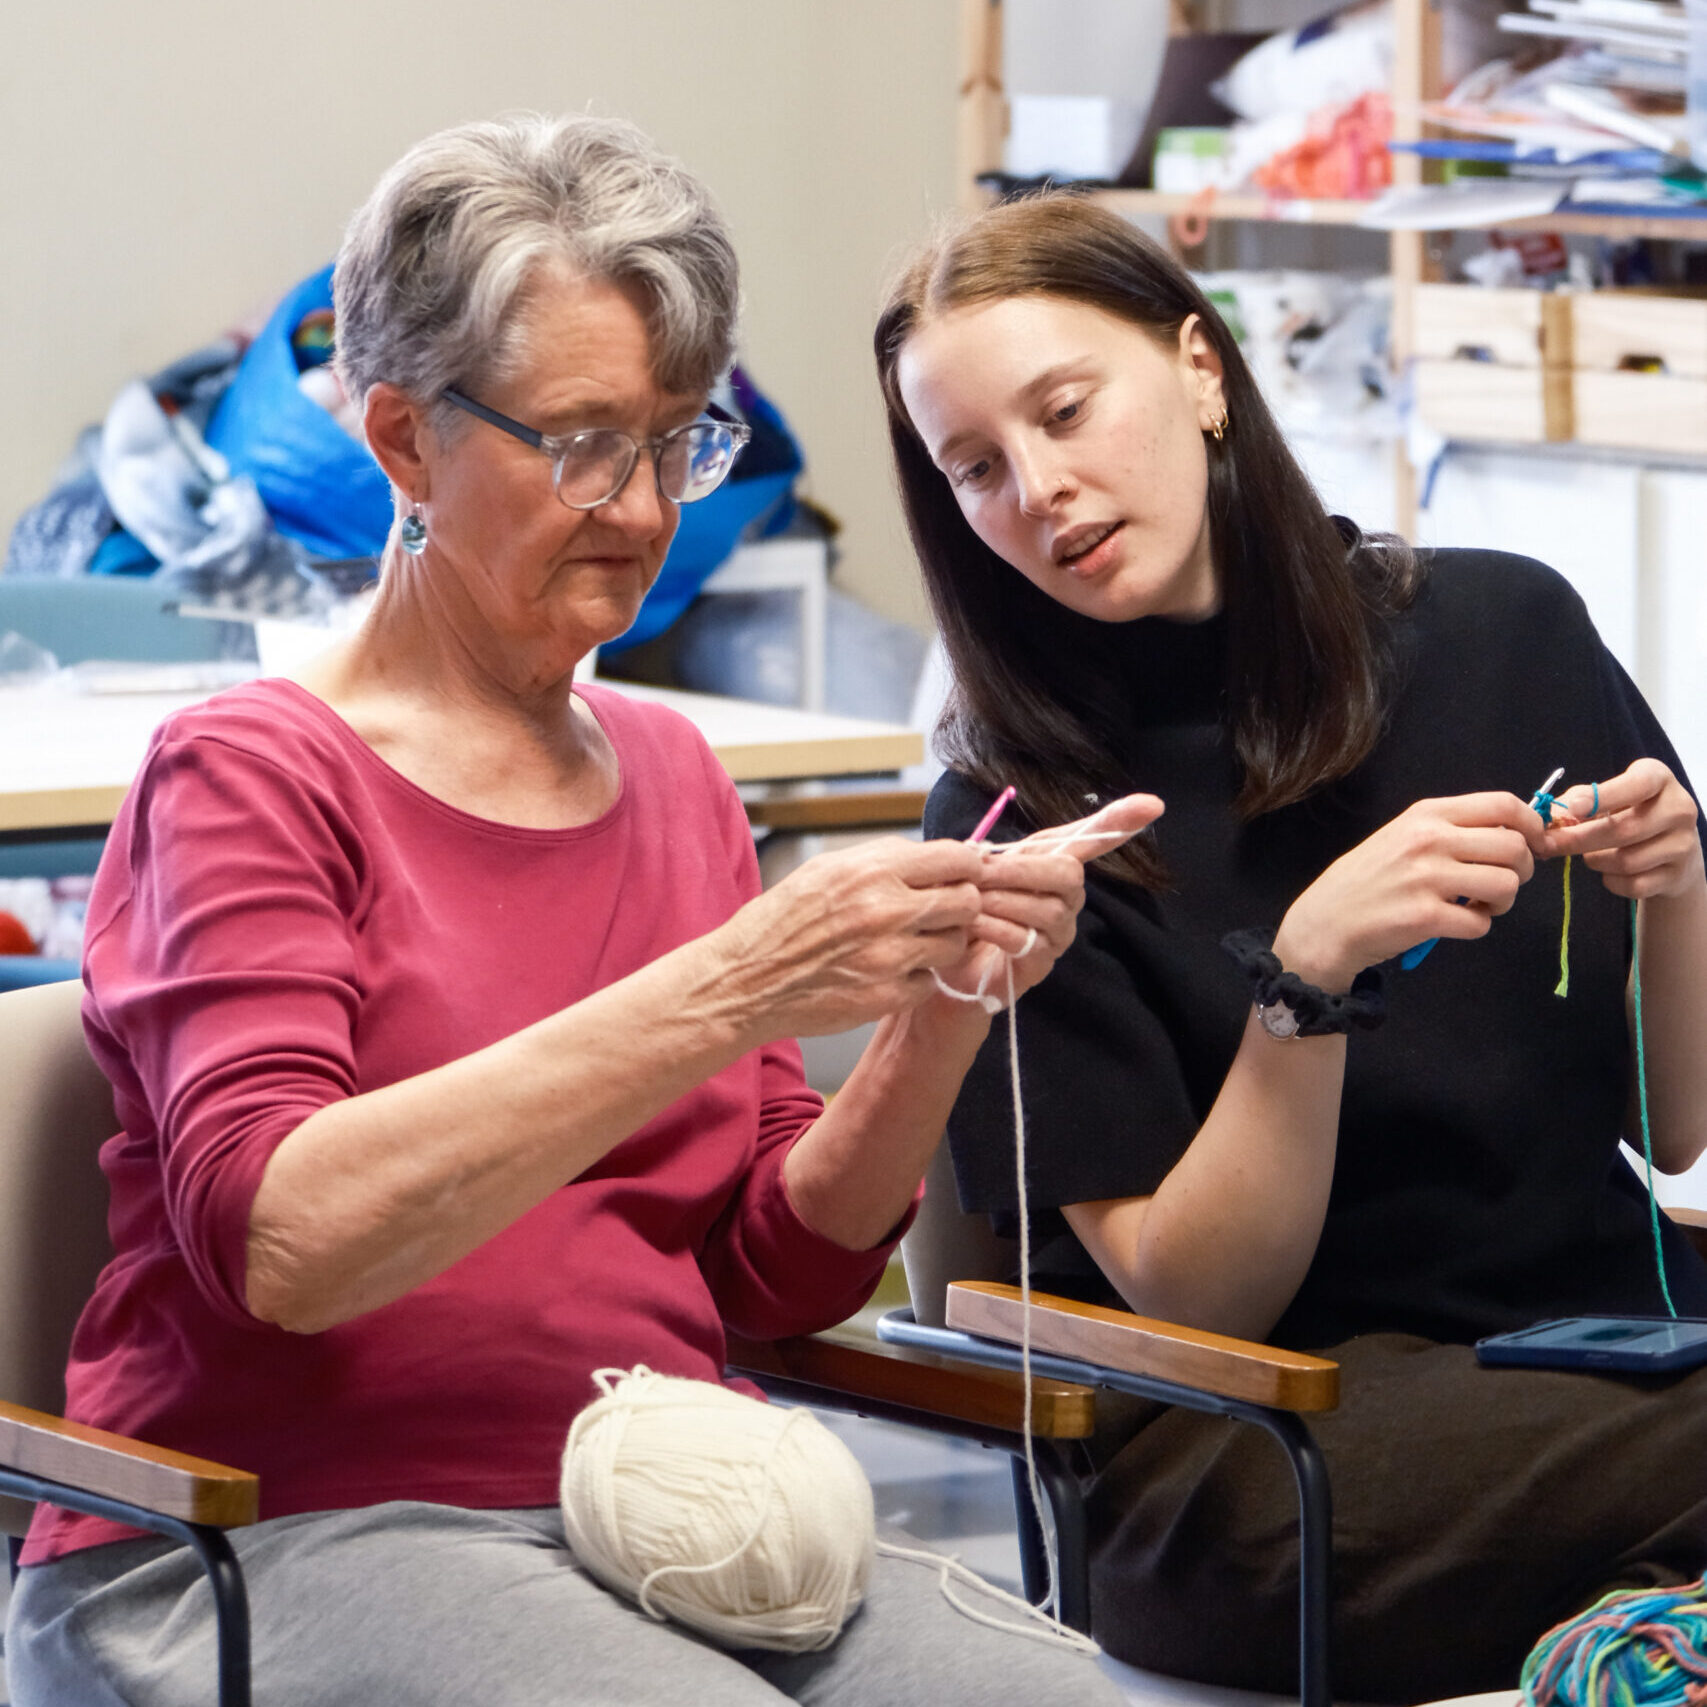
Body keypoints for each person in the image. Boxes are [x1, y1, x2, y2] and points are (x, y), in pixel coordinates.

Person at [4, 120, 1157, 1707]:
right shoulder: (250, 773)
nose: (642, 506)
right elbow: (288, 1245)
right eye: (583, 444)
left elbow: (771, 1283)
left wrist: (940, 1014)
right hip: (258, 1542)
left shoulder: (675, 777)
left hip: (656, 1518)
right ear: (403, 440)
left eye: (678, 441)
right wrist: (733, 985)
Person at [874, 191, 1707, 1703]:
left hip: (1601, 1360)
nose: (1039, 489)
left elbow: (1685, 1125)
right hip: (1256, 1451)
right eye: (975, 468)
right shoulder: (1026, 826)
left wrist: (1680, 886)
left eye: (1065, 412)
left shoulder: (1509, 629)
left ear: (1201, 367)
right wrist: (1303, 984)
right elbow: (1198, 1307)